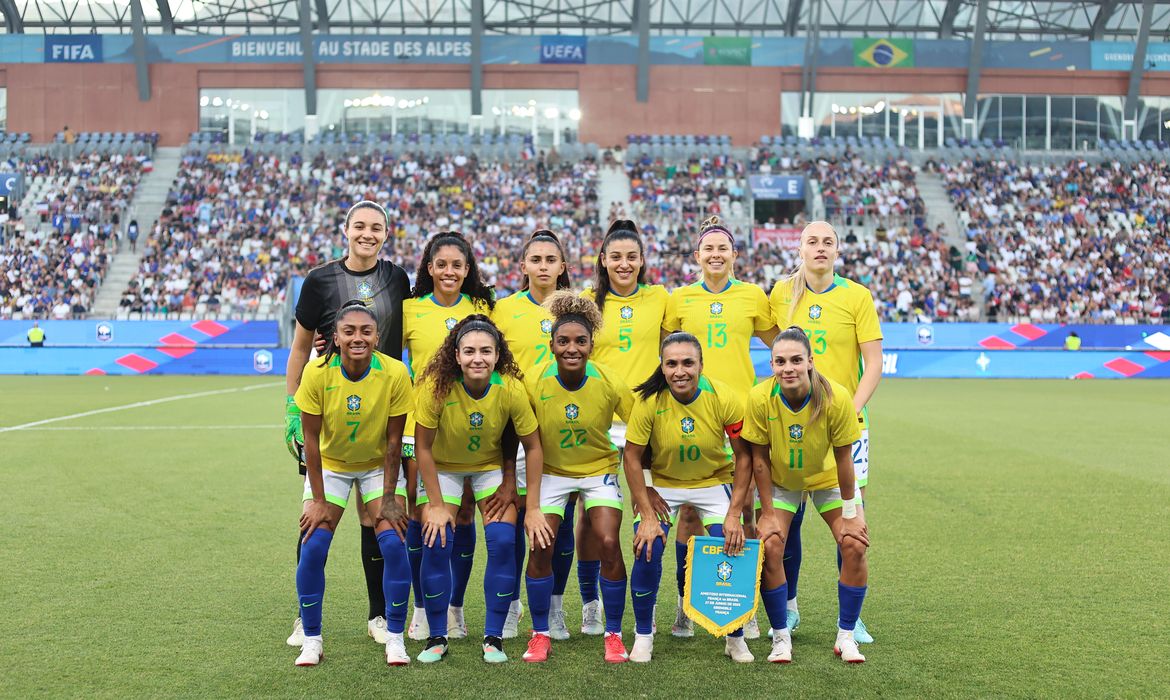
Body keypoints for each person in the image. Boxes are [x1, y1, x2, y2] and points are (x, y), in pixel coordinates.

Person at [284, 201, 411, 648]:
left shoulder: (397, 279)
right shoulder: (319, 280)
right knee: (314, 515)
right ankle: (304, 617)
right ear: (346, 230)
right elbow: (301, 348)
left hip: (382, 412)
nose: (367, 234)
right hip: (330, 416)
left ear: (386, 233)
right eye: (360, 226)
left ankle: (378, 614)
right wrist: (291, 406)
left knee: (374, 516)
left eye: (376, 227)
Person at [663, 215, 778, 639]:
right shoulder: (680, 299)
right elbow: (666, 353)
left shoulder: (752, 296)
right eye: (708, 250)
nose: (715, 255)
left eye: (722, 249)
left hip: (742, 415)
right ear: (697, 257)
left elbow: (779, 342)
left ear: (734, 255)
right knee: (690, 512)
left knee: (743, 510)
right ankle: (685, 605)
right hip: (692, 415)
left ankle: (741, 610)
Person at [413, 315, 552, 664]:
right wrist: (436, 504)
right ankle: (437, 636)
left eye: (486, 351)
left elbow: (533, 447)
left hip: (489, 468)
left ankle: (494, 637)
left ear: (497, 355)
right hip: (443, 469)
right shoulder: (436, 388)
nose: (478, 358)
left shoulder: (510, 388)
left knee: (504, 542)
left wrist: (531, 506)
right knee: (437, 538)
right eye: (470, 351)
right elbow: (423, 449)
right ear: (456, 356)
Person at [768, 220, 882, 643]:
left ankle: (852, 619)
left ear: (837, 250)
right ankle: (791, 608)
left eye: (827, 242)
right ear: (799, 249)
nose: (819, 248)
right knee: (789, 518)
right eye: (812, 242)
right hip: (791, 425)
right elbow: (772, 341)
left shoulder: (857, 296)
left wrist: (848, 412)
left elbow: (873, 363)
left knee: (850, 520)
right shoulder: (781, 293)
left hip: (846, 426)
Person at [292, 300, 414, 667]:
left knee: (394, 543)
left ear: (377, 337)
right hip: (331, 466)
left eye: (365, 331)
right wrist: (316, 498)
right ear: (336, 337)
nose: (357, 337)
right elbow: (310, 442)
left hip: (377, 466)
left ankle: (395, 638)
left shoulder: (395, 372)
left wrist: (391, 497)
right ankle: (311, 639)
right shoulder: (318, 373)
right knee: (312, 546)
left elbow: (395, 441)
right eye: (349, 331)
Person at [622, 332, 755, 664]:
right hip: (664, 484)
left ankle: (735, 636)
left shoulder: (723, 396)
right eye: (671, 364)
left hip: (712, 483)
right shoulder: (650, 401)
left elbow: (744, 457)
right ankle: (643, 636)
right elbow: (631, 457)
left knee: (732, 543)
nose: (680, 371)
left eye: (687, 363)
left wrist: (734, 513)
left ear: (701, 365)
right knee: (648, 546)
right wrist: (648, 515)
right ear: (662, 367)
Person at [744, 327, 870, 664]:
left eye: (796, 360)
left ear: (810, 362)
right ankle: (781, 638)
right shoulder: (759, 398)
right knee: (770, 544)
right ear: (771, 364)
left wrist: (849, 512)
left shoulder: (836, 397)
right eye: (781, 361)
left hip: (828, 478)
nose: (789, 368)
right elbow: (758, 459)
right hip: (782, 481)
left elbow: (845, 459)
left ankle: (846, 636)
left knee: (854, 542)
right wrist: (767, 511)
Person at [521, 292, 633, 664]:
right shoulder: (534, 381)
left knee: (607, 539)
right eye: (564, 341)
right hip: (551, 472)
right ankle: (540, 634)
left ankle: (614, 634)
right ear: (551, 344)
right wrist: (526, 499)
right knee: (540, 545)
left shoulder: (608, 380)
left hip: (598, 470)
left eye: (580, 341)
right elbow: (517, 436)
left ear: (591, 345)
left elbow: (643, 423)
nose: (572, 348)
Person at [401, 231, 496, 642]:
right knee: (422, 515)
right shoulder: (409, 309)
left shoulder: (482, 308)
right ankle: (421, 608)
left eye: (458, 265)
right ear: (429, 268)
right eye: (442, 264)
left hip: (467, 428)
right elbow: (379, 350)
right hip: (417, 427)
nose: (450, 272)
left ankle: (454, 607)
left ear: (468, 269)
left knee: (463, 515)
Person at [577, 219, 669, 635]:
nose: (624, 263)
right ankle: (590, 602)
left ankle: (665, 609)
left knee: (651, 510)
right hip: (596, 422)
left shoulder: (660, 298)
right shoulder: (586, 302)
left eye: (632, 256)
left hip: (644, 422)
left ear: (642, 260)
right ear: (603, 260)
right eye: (616, 256)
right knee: (590, 517)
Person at [492, 230, 578, 640]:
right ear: (523, 266)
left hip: (565, 427)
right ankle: (511, 606)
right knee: (515, 521)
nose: (543, 266)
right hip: (517, 430)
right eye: (536, 259)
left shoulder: (577, 307)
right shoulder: (503, 310)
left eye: (551, 259)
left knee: (560, 525)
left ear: (563, 266)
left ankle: (556, 607)